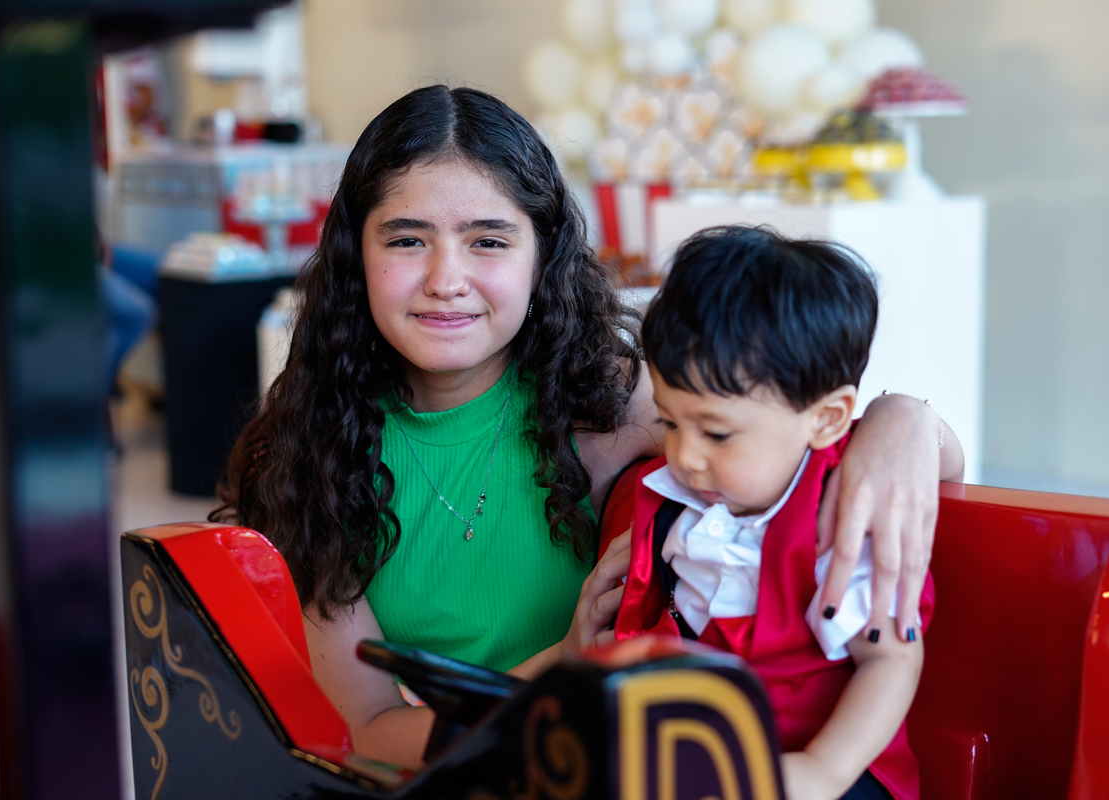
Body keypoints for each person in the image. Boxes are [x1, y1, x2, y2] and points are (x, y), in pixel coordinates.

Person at [210, 85, 964, 769]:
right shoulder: (305, 455)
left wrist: (902, 421)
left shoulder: (607, 400)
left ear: (541, 256)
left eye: (488, 241)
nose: (446, 279)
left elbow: (830, 436)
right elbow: (371, 734)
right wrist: (561, 668)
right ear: (356, 255)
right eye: (406, 240)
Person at [612, 226, 963, 800]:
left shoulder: (841, 518)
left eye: (717, 434)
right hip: (699, 757)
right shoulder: (682, 500)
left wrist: (821, 771)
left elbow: (889, 660)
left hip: (820, 774)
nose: (685, 456)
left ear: (826, 419)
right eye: (671, 423)